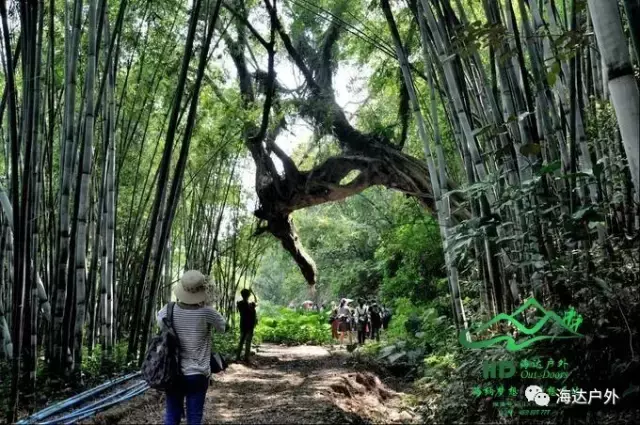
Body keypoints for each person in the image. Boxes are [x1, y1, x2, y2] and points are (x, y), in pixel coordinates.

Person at [157, 270, 226, 425]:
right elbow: (224, 327)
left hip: (173, 372)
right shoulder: (207, 312)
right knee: (194, 418)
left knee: (171, 415)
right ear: (203, 290)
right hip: (198, 374)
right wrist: (208, 306)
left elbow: (161, 325)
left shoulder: (168, 310)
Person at [236, 288, 257, 363]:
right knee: (248, 341)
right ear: (248, 295)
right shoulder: (249, 305)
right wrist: (253, 293)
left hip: (243, 324)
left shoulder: (240, 304)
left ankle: (238, 357)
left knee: (241, 341)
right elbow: (255, 303)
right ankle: (246, 358)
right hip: (249, 325)